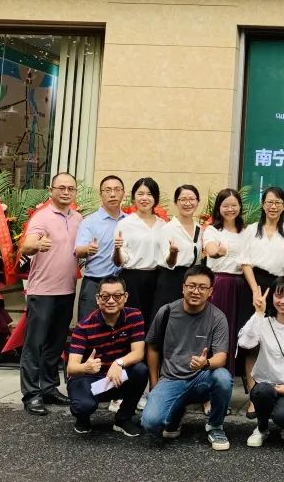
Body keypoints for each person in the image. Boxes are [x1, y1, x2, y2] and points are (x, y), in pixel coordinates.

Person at [141, 265, 233, 450]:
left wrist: (206, 363)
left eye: (202, 287)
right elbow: (152, 346)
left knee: (223, 377)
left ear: (210, 291)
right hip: (170, 379)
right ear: (183, 287)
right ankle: (176, 413)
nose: (196, 291)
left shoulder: (217, 317)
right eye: (191, 286)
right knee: (151, 423)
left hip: (201, 379)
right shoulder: (166, 312)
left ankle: (215, 426)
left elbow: (221, 357)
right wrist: (154, 383)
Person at [240, 187, 284, 415]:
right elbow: (245, 262)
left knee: (275, 338)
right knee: (254, 341)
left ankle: (279, 388)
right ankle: (254, 396)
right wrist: (255, 291)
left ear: (283, 206)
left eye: (278, 202)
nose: (273, 206)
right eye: (269, 202)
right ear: (263, 204)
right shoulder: (251, 230)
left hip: (280, 286)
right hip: (255, 284)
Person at [19, 172, 83, 417]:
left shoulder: (78, 218)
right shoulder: (42, 216)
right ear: (51, 190)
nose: (66, 192)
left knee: (55, 345)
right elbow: (26, 245)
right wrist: (37, 245)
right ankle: (31, 394)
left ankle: (48, 388)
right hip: (42, 292)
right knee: (34, 345)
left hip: (67, 290)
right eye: (61, 188)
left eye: (70, 188)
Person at [65, 275, 148, 437]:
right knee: (83, 406)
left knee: (140, 370)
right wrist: (86, 367)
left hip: (117, 376)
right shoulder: (84, 326)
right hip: (90, 378)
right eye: (105, 296)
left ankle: (123, 419)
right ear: (98, 298)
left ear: (125, 297)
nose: (111, 301)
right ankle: (82, 418)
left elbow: (139, 353)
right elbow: (71, 368)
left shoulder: (135, 316)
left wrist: (119, 363)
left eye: (117, 296)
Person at [237, 276, 284, 447]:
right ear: (272, 297)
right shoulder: (264, 322)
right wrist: (258, 313)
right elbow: (244, 343)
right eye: (278, 296)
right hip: (266, 385)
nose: (283, 301)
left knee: (283, 417)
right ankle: (261, 428)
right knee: (262, 391)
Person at [113, 177, 175, 329]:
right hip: (132, 279)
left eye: (149, 194)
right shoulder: (125, 224)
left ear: (156, 198)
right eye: (140, 194)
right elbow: (118, 261)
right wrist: (117, 249)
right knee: (131, 322)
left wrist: (174, 253)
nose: (144, 198)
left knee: (154, 321)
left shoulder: (163, 225)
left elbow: (168, 260)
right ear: (134, 197)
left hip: (157, 278)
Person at [204, 188, 250, 377]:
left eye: (234, 205)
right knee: (218, 330)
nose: (230, 209)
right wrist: (218, 252)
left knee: (238, 331)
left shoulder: (246, 232)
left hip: (242, 284)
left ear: (240, 207)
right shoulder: (212, 230)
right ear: (218, 208)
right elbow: (211, 250)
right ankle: (211, 376)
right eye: (225, 206)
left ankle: (232, 374)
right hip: (220, 284)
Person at [73, 175, 125, 320]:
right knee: (89, 326)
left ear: (123, 193)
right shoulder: (90, 222)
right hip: (95, 283)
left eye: (117, 189)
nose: (113, 194)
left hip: (120, 283)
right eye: (108, 190)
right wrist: (88, 249)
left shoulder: (129, 221)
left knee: (119, 326)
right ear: (101, 194)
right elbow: (78, 250)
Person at [154, 185, 202, 315]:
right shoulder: (168, 229)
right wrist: (173, 253)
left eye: (191, 199)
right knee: (169, 317)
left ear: (197, 202)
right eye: (183, 199)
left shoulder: (199, 228)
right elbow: (169, 263)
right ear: (176, 202)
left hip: (191, 280)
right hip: (171, 280)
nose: (188, 203)